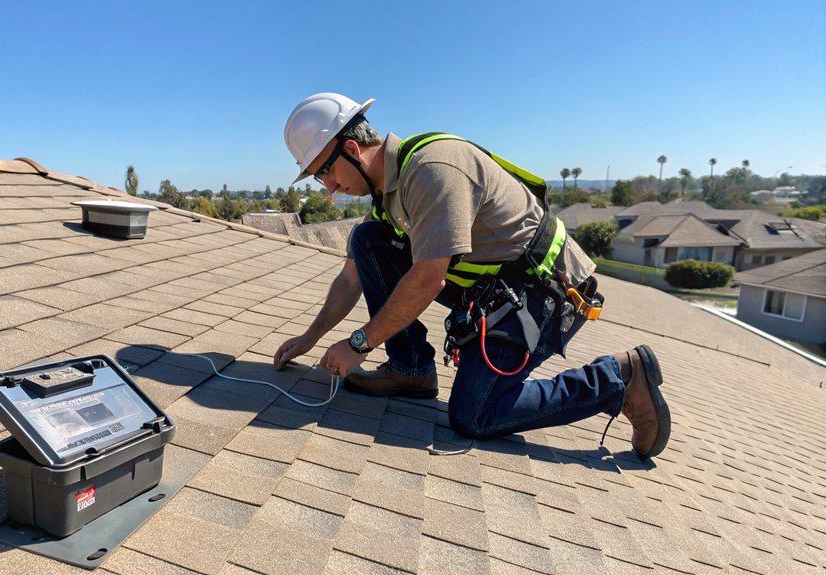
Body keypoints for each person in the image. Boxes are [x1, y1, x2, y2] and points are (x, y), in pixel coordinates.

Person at [272, 93, 671, 459]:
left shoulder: (432, 170)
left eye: (324, 172)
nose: (327, 189)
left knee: (474, 416)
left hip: (546, 293)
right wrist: (312, 337)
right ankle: (410, 371)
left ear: (352, 149)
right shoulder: (386, 194)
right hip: (497, 290)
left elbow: (428, 279)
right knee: (368, 240)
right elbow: (350, 278)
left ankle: (619, 378)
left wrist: (359, 344)